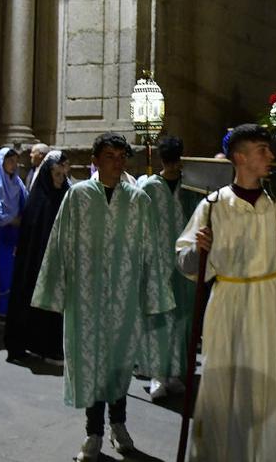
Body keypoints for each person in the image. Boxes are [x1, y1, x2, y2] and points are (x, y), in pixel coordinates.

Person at [175, 123, 276, 462]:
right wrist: (199, 251)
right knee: (226, 384)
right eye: (263, 150)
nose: (271, 156)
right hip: (229, 303)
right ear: (240, 158)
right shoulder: (213, 206)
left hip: (274, 299)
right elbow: (186, 265)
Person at [32, 132, 175, 461]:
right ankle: (93, 432)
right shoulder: (78, 197)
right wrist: (55, 291)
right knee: (90, 366)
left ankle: (119, 425)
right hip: (86, 299)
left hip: (124, 300)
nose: (117, 162)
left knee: (119, 363)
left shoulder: (139, 200)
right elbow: (59, 244)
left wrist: (153, 293)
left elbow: (150, 249)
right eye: (110, 156)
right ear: (95, 161)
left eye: (122, 156)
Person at [136, 136, 193, 400]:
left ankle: (175, 372)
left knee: (181, 318)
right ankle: (157, 374)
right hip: (156, 263)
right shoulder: (148, 187)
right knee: (158, 319)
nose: (173, 165)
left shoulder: (190, 188)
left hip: (183, 264)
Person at [5, 152, 69, 363]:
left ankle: (48, 347)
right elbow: (31, 236)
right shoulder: (38, 201)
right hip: (34, 264)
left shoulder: (64, 196)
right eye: (57, 175)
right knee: (27, 302)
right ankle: (21, 347)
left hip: (56, 262)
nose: (60, 179)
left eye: (63, 175)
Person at [0, 147, 27, 318]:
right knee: (1, 272)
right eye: (9, 161)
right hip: (0, 233)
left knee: (14, 272)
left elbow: (25, 202)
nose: (13, 164)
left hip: (15, 233)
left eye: (15, 161)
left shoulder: (17, 182)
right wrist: (10, 219)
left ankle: (11, 308)